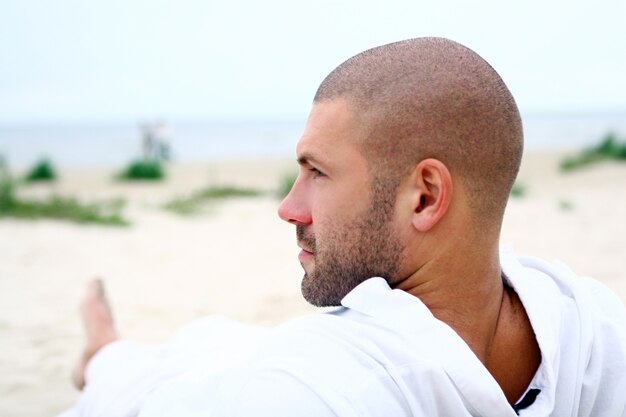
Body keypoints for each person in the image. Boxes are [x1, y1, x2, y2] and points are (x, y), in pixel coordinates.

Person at [59, 37, 626, 417]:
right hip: (166, 391)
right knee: (144, 365)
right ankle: (103, 351)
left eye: (317, 173)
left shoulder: (598, 339)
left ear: (425, 198)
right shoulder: (304, 381)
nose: (289, 207)